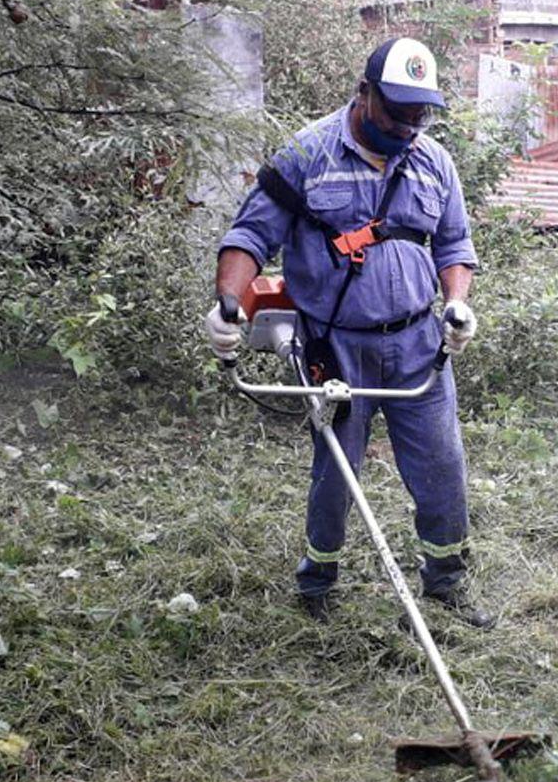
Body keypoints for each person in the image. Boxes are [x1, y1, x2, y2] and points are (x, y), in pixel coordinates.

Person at [204, 38, 493, 629]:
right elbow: (249, 236)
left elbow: (454, 244)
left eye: (421, 115)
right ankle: (319, 582)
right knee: (336, 469)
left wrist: (457, 305)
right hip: (335, 347)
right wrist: (228, 304)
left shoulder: (434, 161)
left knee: (443, 468)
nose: (410, 126)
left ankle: (446, 581)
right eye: (398, 112)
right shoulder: (307, 155)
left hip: (418, 344)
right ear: (364, 94)